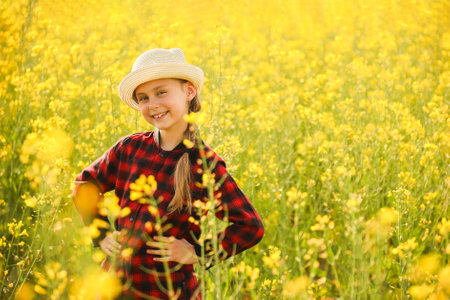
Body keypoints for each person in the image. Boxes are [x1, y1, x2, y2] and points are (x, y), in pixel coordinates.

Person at [72, 48, 264, 299]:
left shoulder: (204, 165)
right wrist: (102, 234)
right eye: (143, 98)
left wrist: (196, 252)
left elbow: (250, 226)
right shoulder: (129, 148)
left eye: (161, 92)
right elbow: (85, 184)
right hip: (113, 285)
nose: (153, 105)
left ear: (189, 91)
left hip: (167, 291)